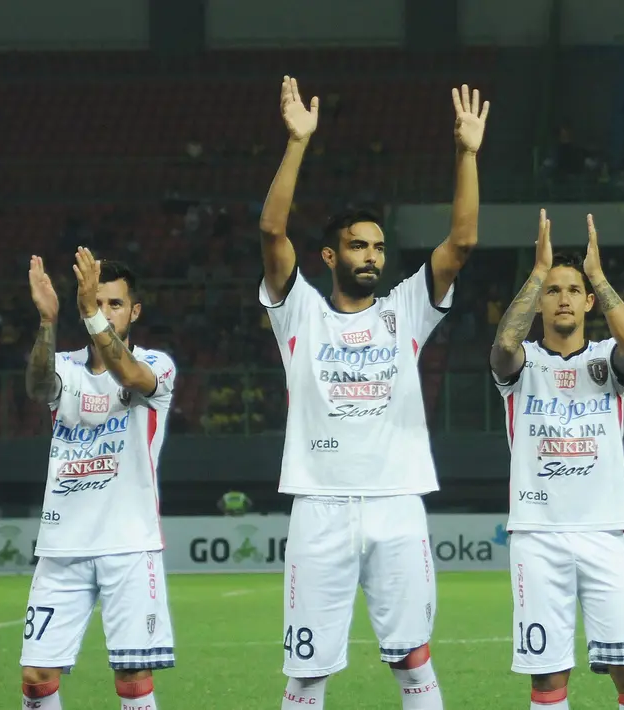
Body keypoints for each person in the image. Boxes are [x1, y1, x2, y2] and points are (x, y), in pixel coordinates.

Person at [258, 76, 488, 710]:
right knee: (306, 675)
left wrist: (467, 153)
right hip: (319, 507)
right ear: (329, 256)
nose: (371, 256)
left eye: (379, 247)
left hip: (397, 503)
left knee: (414, 662)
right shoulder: (299, 312)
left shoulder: (405, 310)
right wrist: (298, 142)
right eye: (358, 246)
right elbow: (273, 235)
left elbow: (462, 243)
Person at [490, 211, 624, 710]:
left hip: (603, 532)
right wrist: (538, 271)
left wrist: (601, 277)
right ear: (540, 301)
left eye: (572, 289)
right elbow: (503, 345)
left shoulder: (607, 359)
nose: (562, 297)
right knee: (548, 680)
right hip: (536, 535)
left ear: (588, 302)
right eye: (553, 290)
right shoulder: (523, 364)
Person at [20, 251, 178, 710]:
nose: (107, 311)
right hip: (60, 545)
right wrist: (48, 322)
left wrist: (88, 313)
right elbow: (35, 387)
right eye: (98, 302)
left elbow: (126, 372)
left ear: (135, 311)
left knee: (132, 677)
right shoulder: (67, 369)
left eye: (115, 304)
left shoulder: (156, 365)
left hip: (129, 544)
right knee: (35, 676)